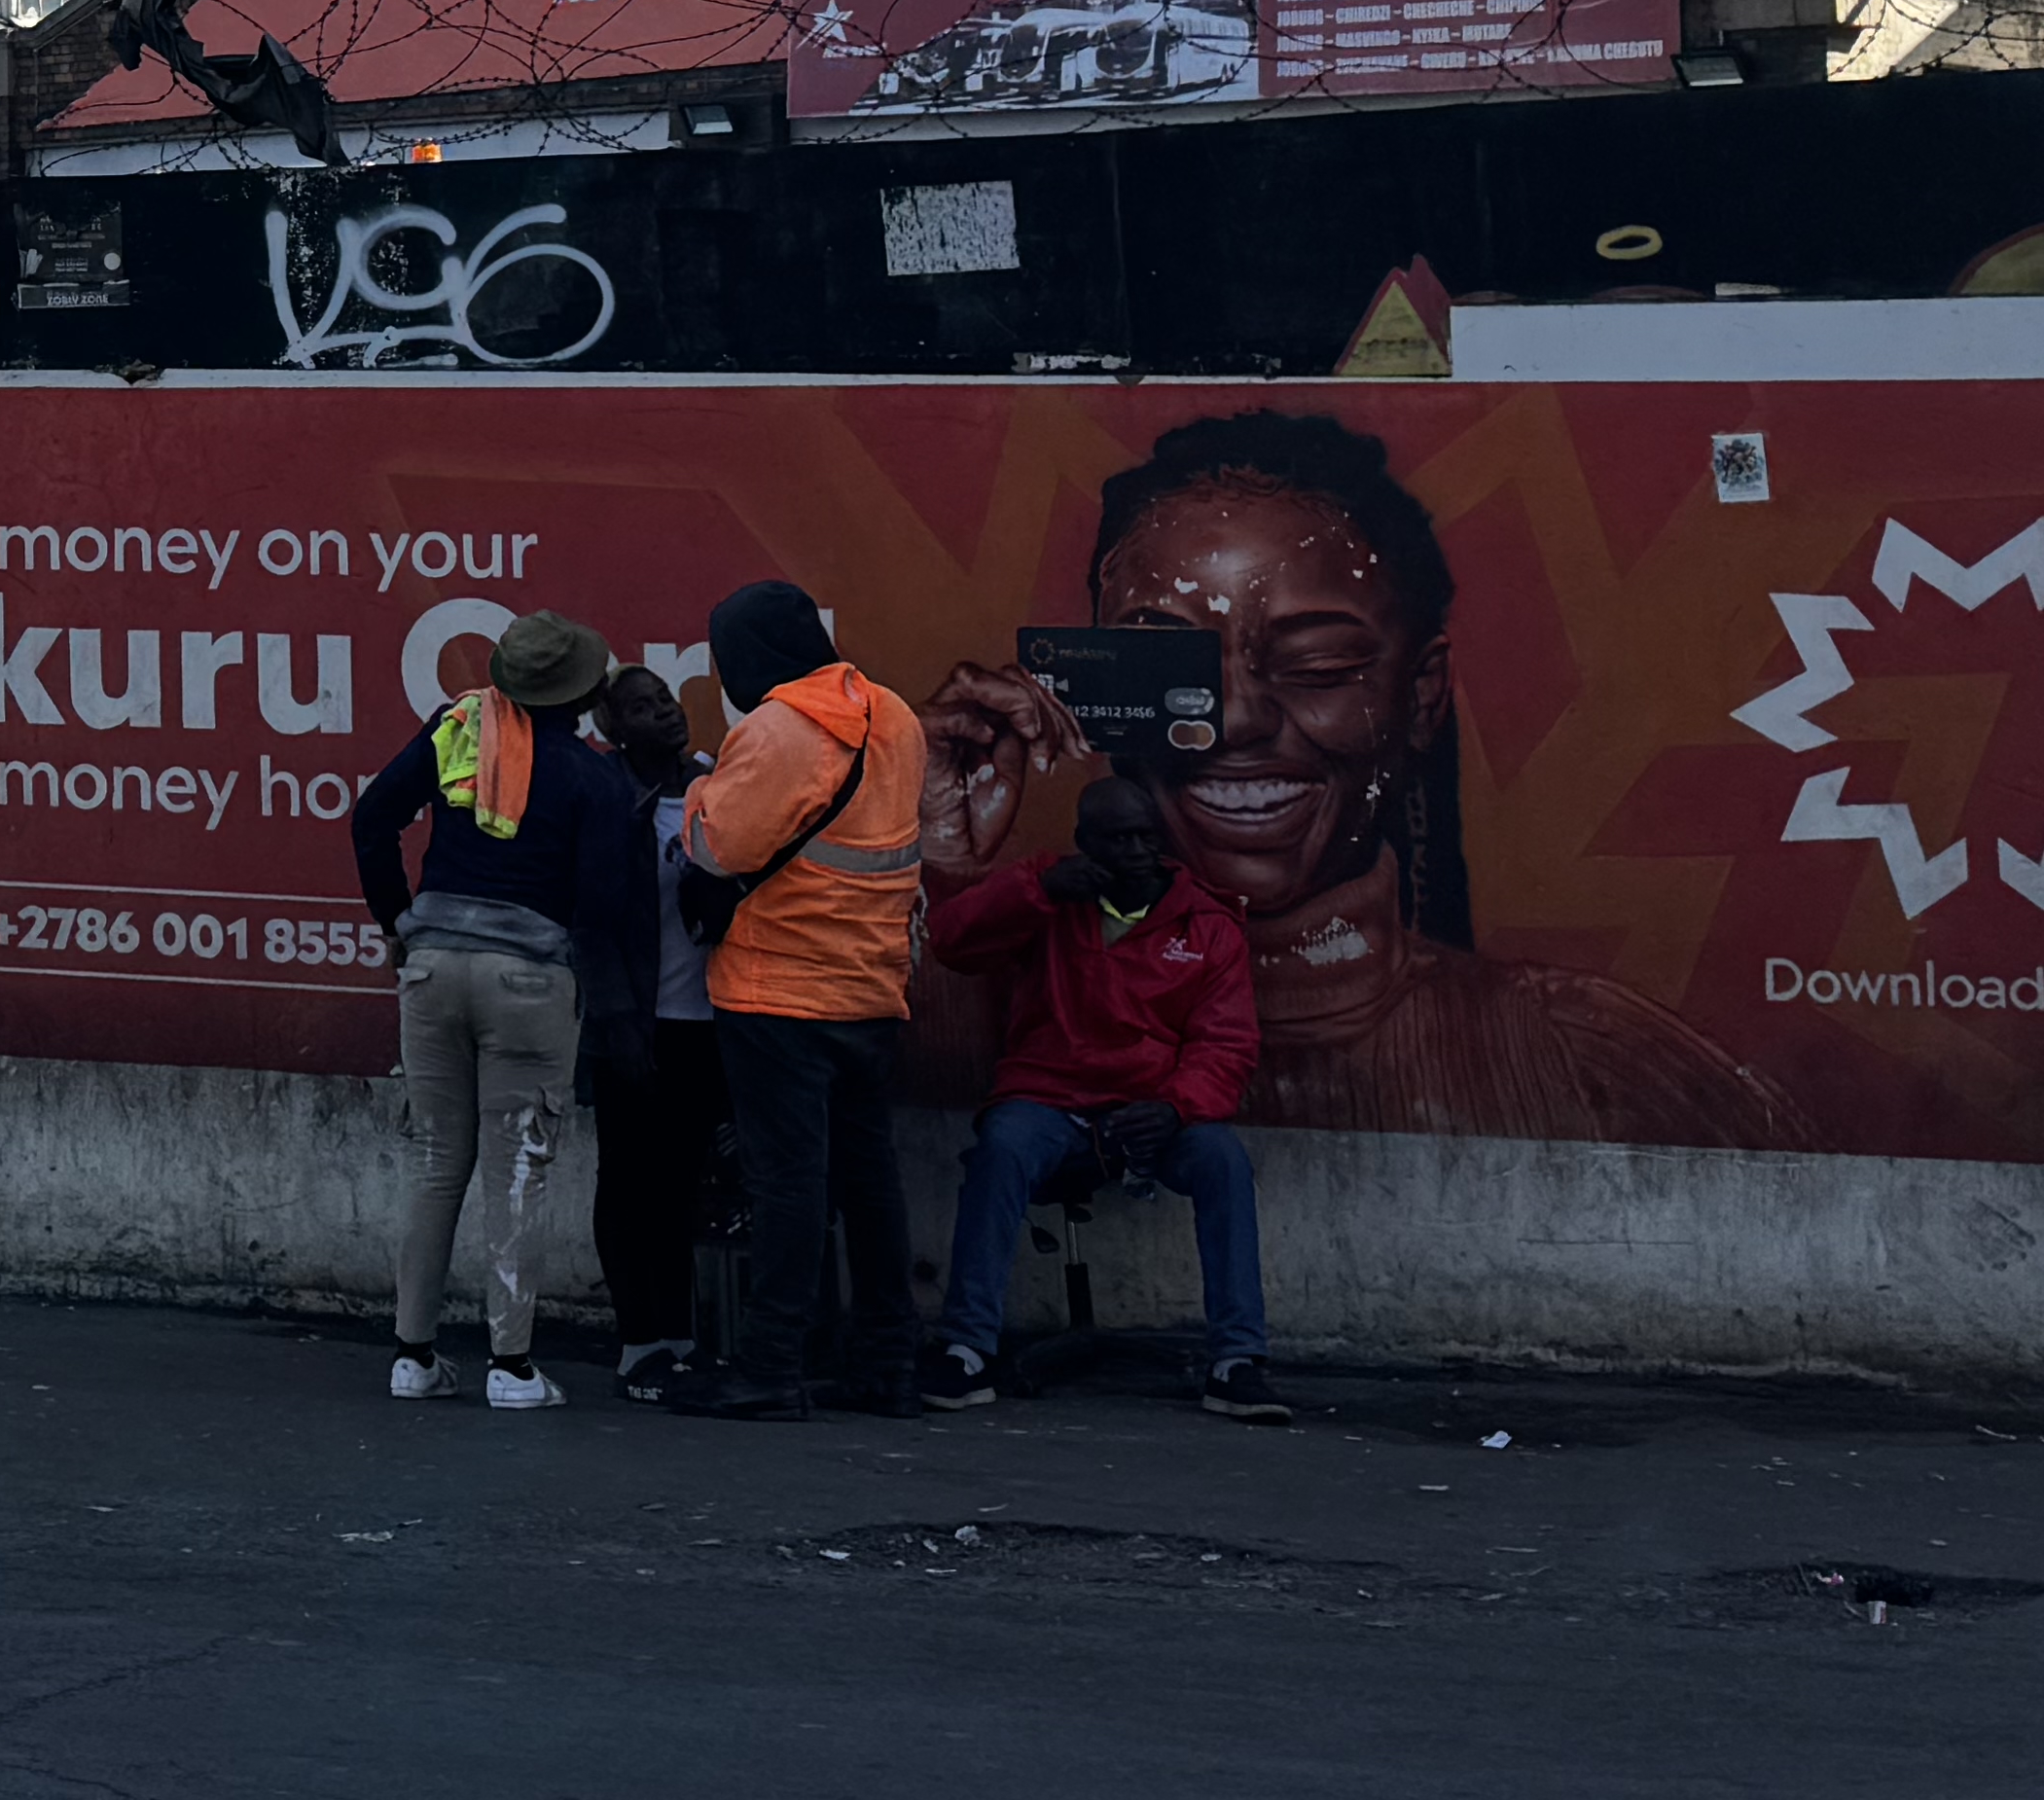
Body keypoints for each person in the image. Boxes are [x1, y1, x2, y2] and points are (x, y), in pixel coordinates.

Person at [921, 409, 1801, 1148]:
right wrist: (931, 862)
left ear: (1420, 696)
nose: (1234, 721)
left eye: (1319, 664)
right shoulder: (994, 1011)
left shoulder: (1583, 1057)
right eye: (1165, 667)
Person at [344, 610, 653, 1409]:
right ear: (586, 694)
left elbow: (373, 819)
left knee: (435, 1160)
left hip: (432, 965)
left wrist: (396, 924)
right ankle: (511, 1367)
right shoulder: (595, 777)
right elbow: (604, 904)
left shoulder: (457, 730)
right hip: (529, 980)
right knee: (518, 1165)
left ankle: (412, 1358)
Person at [925, 774, 1286, 1422]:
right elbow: (950, 940)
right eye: (1118, 839)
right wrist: (1035, 891)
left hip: (1155, 1111)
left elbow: (1226, 1045)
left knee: (1222, 1162)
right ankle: (966, 1349)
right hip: (1048, 1098)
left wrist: (1175, 1106)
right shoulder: (1049, 894)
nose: (1137, 851)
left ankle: (1238, 1362)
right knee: (1000, 1149)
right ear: (1084, 844)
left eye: (1148, 837)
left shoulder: (1207, 924)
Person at [675, 580, 934, 1420]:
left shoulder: (778, 729)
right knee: (870, 1181)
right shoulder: (891, 714)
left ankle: (772, 1365)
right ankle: (889, 1362)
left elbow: (718, 849)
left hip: (776, 988)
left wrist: (698, 792)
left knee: (787, 1183)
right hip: (869, 984)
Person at [582, 664, 729, 1403]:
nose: (665, 715)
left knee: (680, 1183)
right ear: (613, 731)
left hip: (711, 1019)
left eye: (665, 700)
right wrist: (615, 1022)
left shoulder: (715, 782)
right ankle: (637, 1340)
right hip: (637, 1024)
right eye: (641, 709)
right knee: (629, 1181)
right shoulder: (610, 801)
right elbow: (598, 925)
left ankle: (680, 1336)